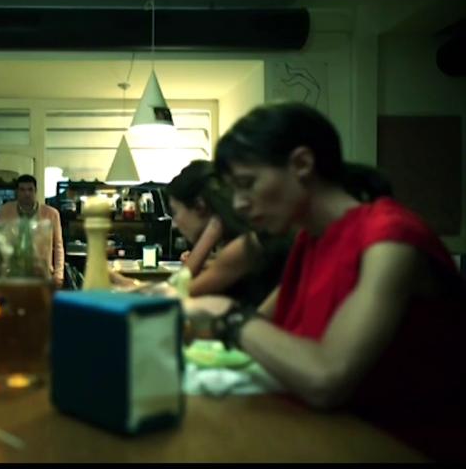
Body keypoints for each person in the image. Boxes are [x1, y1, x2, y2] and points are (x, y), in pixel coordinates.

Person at [177, 102, 466, 461]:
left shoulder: (390, 239)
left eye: (247, 185)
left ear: (301, 164)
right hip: (329, 433)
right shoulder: (310, 240)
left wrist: (229, 316)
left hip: (400, 445)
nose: (238, 205)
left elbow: (327, 377)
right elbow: (270, 335)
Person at [114, 160, 292, 307]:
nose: (174, 225)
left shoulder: (246, 246)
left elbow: (173, 295)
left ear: (200, 206)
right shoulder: (238, 243)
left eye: (175, 212)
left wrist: (210, 234)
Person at [0, 174, 65, 288]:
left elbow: (58, 246)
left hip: (41, 274)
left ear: (35, 191)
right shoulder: (5, 211)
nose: (26, 193)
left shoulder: (51, 214)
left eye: (30, 189)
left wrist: (59, 274)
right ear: (17, 192)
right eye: (22, 190)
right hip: (13, 274)